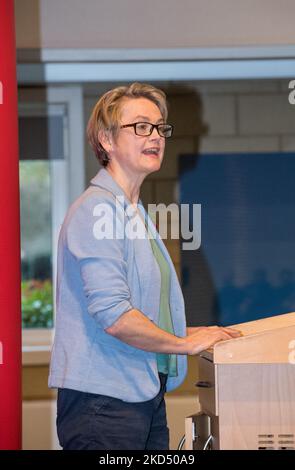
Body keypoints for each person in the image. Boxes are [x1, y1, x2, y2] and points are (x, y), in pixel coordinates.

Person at [48, 82, 241, 450]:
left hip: (142, 395)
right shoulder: (97, 209)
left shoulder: (132, 212)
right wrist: (183, 343)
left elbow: (141, 312)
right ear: (106, 139)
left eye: (159, 127)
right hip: (102, 404)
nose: (155, 136)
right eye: (140, 126)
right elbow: (115, 315)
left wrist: (194, 331)